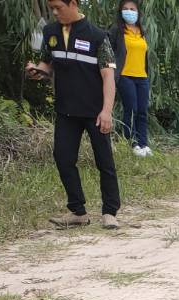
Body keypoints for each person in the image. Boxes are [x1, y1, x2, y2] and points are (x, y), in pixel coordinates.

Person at [25, 0, 121, 230]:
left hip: (95, 111)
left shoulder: (97, 36)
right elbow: (47, 66)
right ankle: (78, 211)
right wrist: (38, 72)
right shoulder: (50, 32)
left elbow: (108, 76)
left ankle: (110, 212)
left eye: (59, 7)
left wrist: (107, 110)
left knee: (104, 161)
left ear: (74, 4)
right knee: (63, 158)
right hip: (66, 110)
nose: (55, 12)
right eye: (52, 8)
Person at [110, 0, 153, 157]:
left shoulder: (142, 31)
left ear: (138, 12)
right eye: (126, 9)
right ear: (121, 12)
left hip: (142, 76)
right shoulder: (117, 31)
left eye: (132, 9)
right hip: (125, 75)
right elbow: (107, 49)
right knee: (132, 109)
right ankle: (132, 142)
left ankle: (144, 143)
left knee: (142, 111)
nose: (129, 12)